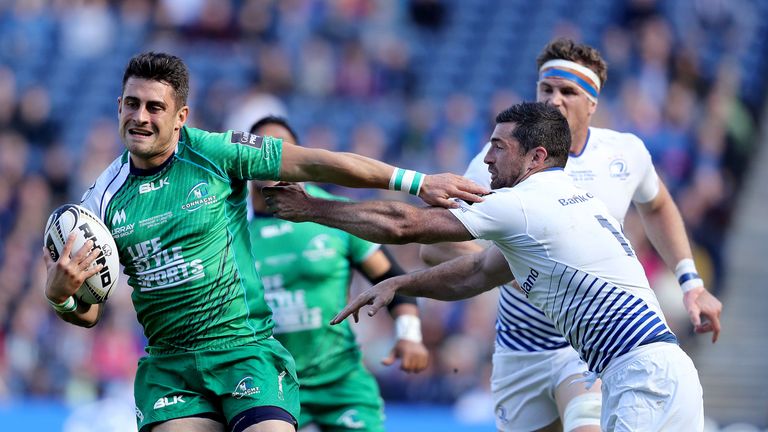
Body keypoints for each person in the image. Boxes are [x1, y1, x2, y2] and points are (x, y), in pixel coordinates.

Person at [41, 52, 486, 432]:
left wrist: (416, 181)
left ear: (181, 117)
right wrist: (61, 298)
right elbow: (90, 311)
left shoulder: (216, 154)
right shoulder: (98, 202)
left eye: (155, 107)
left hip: (243, 350)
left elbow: (318, 164)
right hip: (171, 369)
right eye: (132, 104)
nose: (140, 117)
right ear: (118, 106)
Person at [262, 102, 705, 431]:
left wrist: (311, 209)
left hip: (640, 376)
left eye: (498, 147)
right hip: (659, 371)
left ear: (536, 157)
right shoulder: (566, 200)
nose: (487, 158)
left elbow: (404, 224)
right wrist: (400, 282)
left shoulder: (524, 204)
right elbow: (477, 273)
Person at [416, 38, 722, 431]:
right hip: (520, 345)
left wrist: (690, 280)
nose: (554, 100)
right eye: (546, 89)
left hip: (587, 345)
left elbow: (658, 205)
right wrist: (508, 263)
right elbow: (433, 247)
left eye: (568, 91)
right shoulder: (494, 165)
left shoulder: (623, 154)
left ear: (592, 103)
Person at [247, 116, 429, 431]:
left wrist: (409, 335)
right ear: (245, 161)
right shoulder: (227, 229)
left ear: (297, 157)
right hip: (267, 384)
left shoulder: (334, 214)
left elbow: (394, 280)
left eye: (283, 149)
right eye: (264, 149)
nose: (273, 158)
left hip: (340, 381)